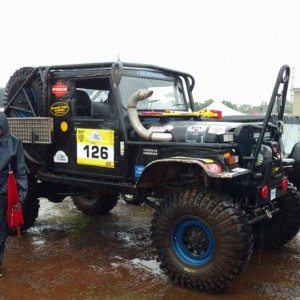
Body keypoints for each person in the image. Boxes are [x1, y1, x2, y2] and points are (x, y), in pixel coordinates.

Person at [0, 112, 28, 277]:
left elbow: (21, 172)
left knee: (1, 231)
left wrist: (21, 199)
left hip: (2, 195)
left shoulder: (15, 144)